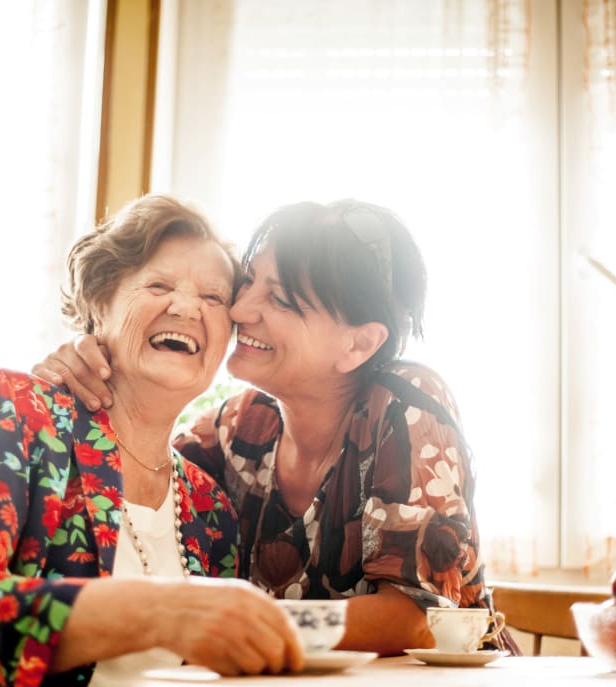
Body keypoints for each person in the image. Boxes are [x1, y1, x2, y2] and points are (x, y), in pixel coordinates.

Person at [0, 195, 304, 687]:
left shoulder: (211, 507)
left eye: (214, 299)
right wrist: (157, 611)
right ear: (98, 306)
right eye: (158, 285)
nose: (185, 307)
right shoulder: (16, 409)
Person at [34, 198, 506, 656]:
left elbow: (416, 619)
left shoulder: (406, 403)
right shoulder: (236, 427)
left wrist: (236, 622)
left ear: (358, 344)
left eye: (279, 299)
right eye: (249, 283)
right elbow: (138, 469)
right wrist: (89, 361)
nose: (239, 312)